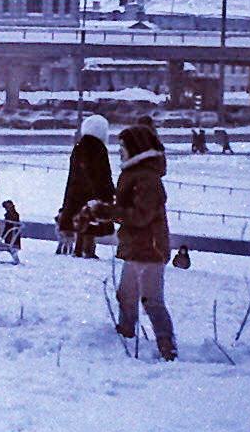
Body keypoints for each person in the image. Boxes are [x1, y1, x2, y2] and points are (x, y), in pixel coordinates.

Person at [110, 123, 177, 360]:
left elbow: (140, 216)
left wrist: (111, 212)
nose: (119, 151)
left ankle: (166, 345)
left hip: (149, 248)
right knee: (126, 294)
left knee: (151, 300)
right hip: (138, 247)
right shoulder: (135, 174)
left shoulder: (146, 178)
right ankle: (126, 334)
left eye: (123, 146)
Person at [58, 114, 114, 258]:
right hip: (93, 193)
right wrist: (108, 192)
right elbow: (102, 175)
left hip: (76, 192)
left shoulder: (79, 148)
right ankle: (88, 250)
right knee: (91, 224)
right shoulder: (99, 150)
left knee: (81, 222)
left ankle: (79, 249)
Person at [0, 200, 23, 264]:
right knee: (6, 248)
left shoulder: (13, 215)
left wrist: (4, 235)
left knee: (7, 248)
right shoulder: (10, 215)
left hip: (12, 239)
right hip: (10, 238)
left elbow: (10, 226)